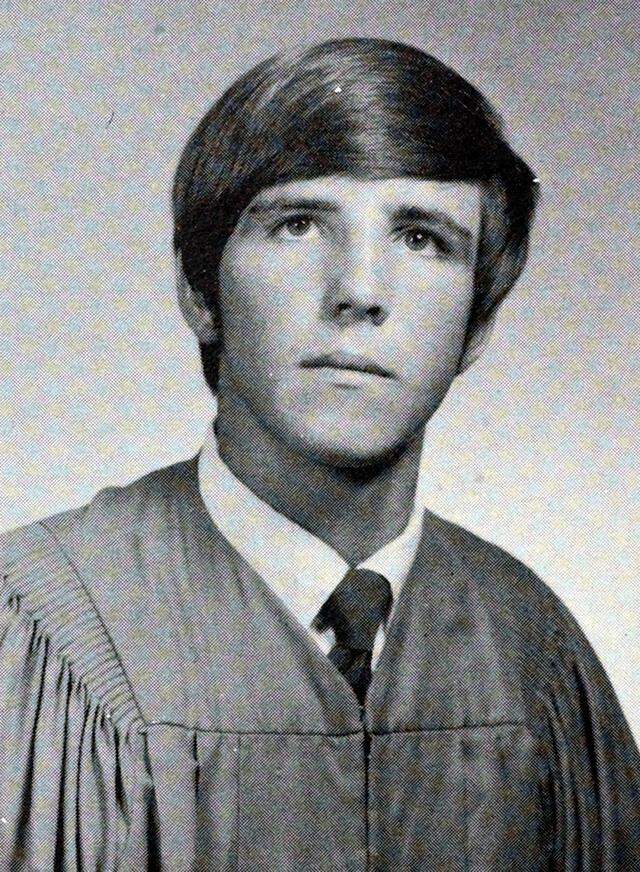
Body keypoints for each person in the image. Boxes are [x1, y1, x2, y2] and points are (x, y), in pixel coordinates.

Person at [1, 37, 638, 871]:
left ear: (477, 324)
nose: (360, 292)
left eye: (422, 239)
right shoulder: (38, 636)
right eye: (298, 225)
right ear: (200, 290)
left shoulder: (534, 656)